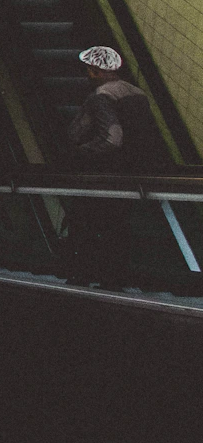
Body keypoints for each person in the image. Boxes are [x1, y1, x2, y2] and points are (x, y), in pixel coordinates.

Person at [63, 46, 156, 285]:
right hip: (132, 172)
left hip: (102, 171)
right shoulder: (138, 94)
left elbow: (112, 137)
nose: (86, 73)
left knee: (86, 221)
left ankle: (82, 273)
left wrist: (82, 152)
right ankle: (114, 277)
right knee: (117, 225)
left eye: (88, 69)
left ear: (95, 70)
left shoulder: (101, 96)